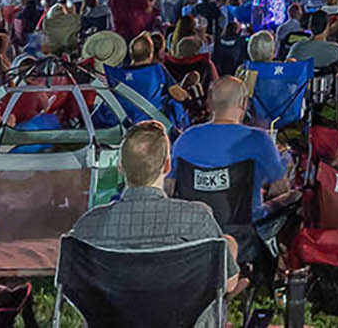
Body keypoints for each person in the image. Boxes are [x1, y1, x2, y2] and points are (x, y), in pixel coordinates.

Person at [70, 121, 240, 324]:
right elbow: (229, 283)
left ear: (120, 166)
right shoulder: (196, 219)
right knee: (228, 245)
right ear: (167, 166)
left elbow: (75, 293)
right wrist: (230, 245)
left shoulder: (87, 227)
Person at [170, 77, 293, 231]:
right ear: (243, 103)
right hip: (247, 231)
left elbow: (170, 187)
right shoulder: (258, 139)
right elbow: (280, 188)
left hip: (195, 231)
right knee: (294, 197)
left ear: (209, 103)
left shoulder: (185, 139)